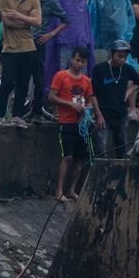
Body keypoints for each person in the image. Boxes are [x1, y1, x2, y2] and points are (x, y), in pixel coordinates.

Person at [0, 0, 43, 123]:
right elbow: (8, 23)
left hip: (28, 47)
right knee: (7, 81)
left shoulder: (34, 0)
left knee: (23, 83)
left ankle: (17, 115)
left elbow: (38, 22)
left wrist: (18, 15)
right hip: (10, 47)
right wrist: (28, 19)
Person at [50, 46, 94, 202]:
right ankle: (59, 189)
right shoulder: (61, 76)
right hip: (65, 121)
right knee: (67, 156)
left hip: (81, 123)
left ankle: (72, 189)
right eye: (77, 60)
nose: (80, 64)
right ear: (71, 60)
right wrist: (69, 104)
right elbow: (51, 97)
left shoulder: (87, 80)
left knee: (80, 158)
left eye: (83, 61)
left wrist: (87, 109)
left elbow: (89, 99)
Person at [90, 40, 138, 160]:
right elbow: (93, 94)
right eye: (119, 56)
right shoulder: (99, 69)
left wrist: (129, 91)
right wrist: (98, 115)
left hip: (121, 114)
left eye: (125, 57)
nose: (122, 60)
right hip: (104, 114)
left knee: (121, 149)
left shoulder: (127, 69)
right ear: (112, 54)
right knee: (101, 149)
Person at [88, 0, 134, 66]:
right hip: (99, 43)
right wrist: (91, 41)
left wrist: (127, 39)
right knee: (101, 71)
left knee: (119, 72)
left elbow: (130, 19)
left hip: (120, 41)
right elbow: (90, 21)